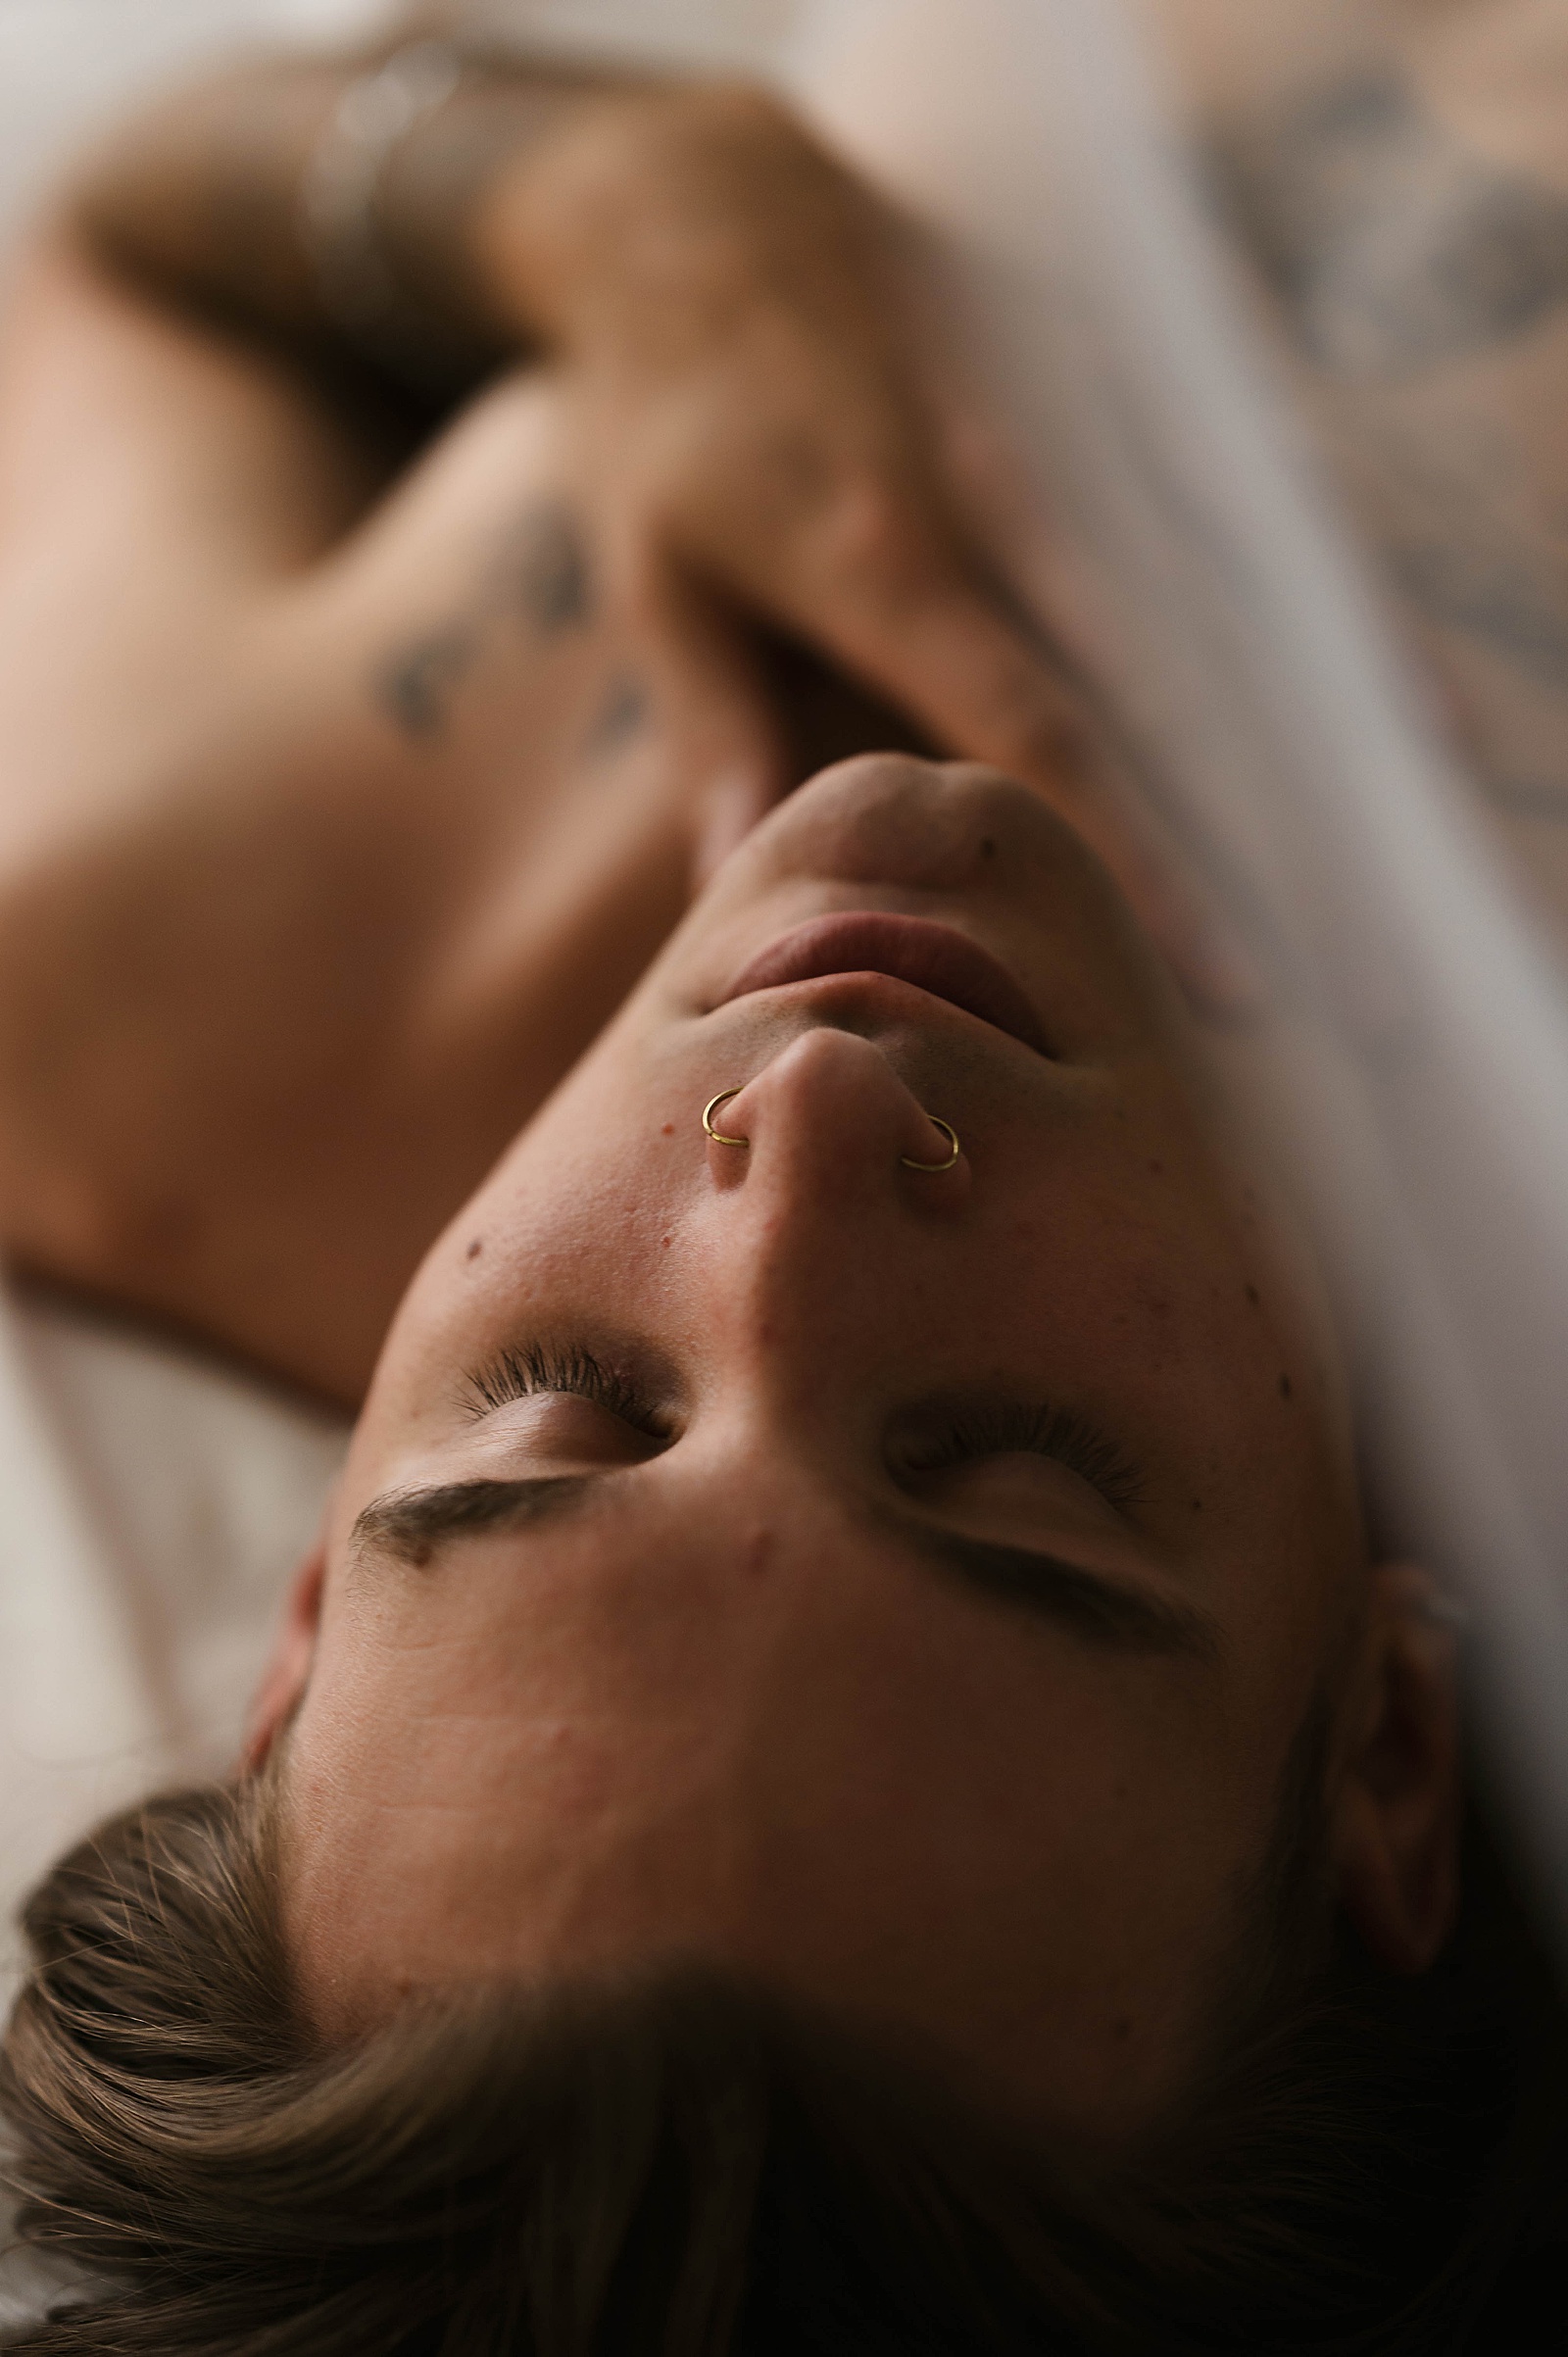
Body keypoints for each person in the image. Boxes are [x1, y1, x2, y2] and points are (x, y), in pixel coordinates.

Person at [0, 28, 1560, 2355]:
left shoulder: (178, 993)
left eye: (560, 1416)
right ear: (1384, 1750)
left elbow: (116, 219)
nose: (805, 1143)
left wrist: (592, 206)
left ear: (302, 1627)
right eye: (1016, 1477)